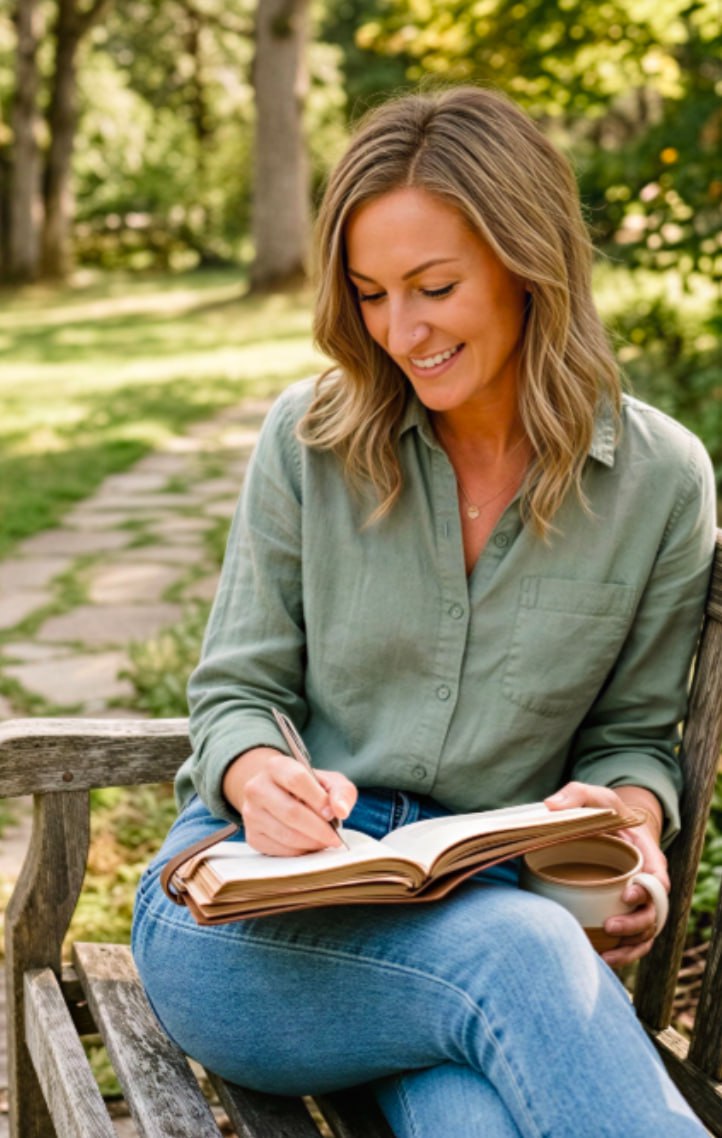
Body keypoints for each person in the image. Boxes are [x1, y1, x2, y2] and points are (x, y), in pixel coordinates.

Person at [132, 86, 716, 1137]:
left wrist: (624, 837)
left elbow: (632, 741)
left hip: (472, 932)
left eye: (432, 286)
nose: (399, 331)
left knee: (471, 1119)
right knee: (518, 953)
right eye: (367, 293)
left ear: (526, 261)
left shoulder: (659, 479)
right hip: (250, 921)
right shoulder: (307, 440)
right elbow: (237, 691)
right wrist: (261, 780)